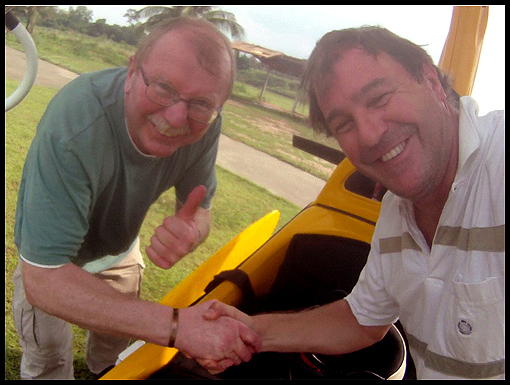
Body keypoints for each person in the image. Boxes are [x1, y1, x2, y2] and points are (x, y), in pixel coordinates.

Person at [202, 26, 505, 379]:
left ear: (430, 78)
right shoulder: (396, 213)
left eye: (379, 98)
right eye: (344, 124)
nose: (370, 135)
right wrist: (249, 332)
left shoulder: (497, 161)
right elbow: (362, 320)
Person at [12, 17, 261, 380]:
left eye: (202, 104)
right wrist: (178, 326)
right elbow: (44, 278)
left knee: (115, 357)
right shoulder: (74, 125)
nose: (177, 117)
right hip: (55, 261)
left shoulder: (205, 123)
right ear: (131, 72)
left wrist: (192, 231)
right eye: (162, 88)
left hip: (120, 251)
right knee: (48, 358)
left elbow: (200, 211)